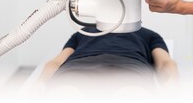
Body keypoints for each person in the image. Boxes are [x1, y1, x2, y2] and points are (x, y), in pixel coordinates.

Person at [33, 26, 178, 97]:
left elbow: (165, 63)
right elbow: (57, 62)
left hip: (128, 69)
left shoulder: (148, 34)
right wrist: (40, 83)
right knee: (64, 95)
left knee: (131, 95)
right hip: (79, 68)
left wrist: (171, 84)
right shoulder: (84, 31)